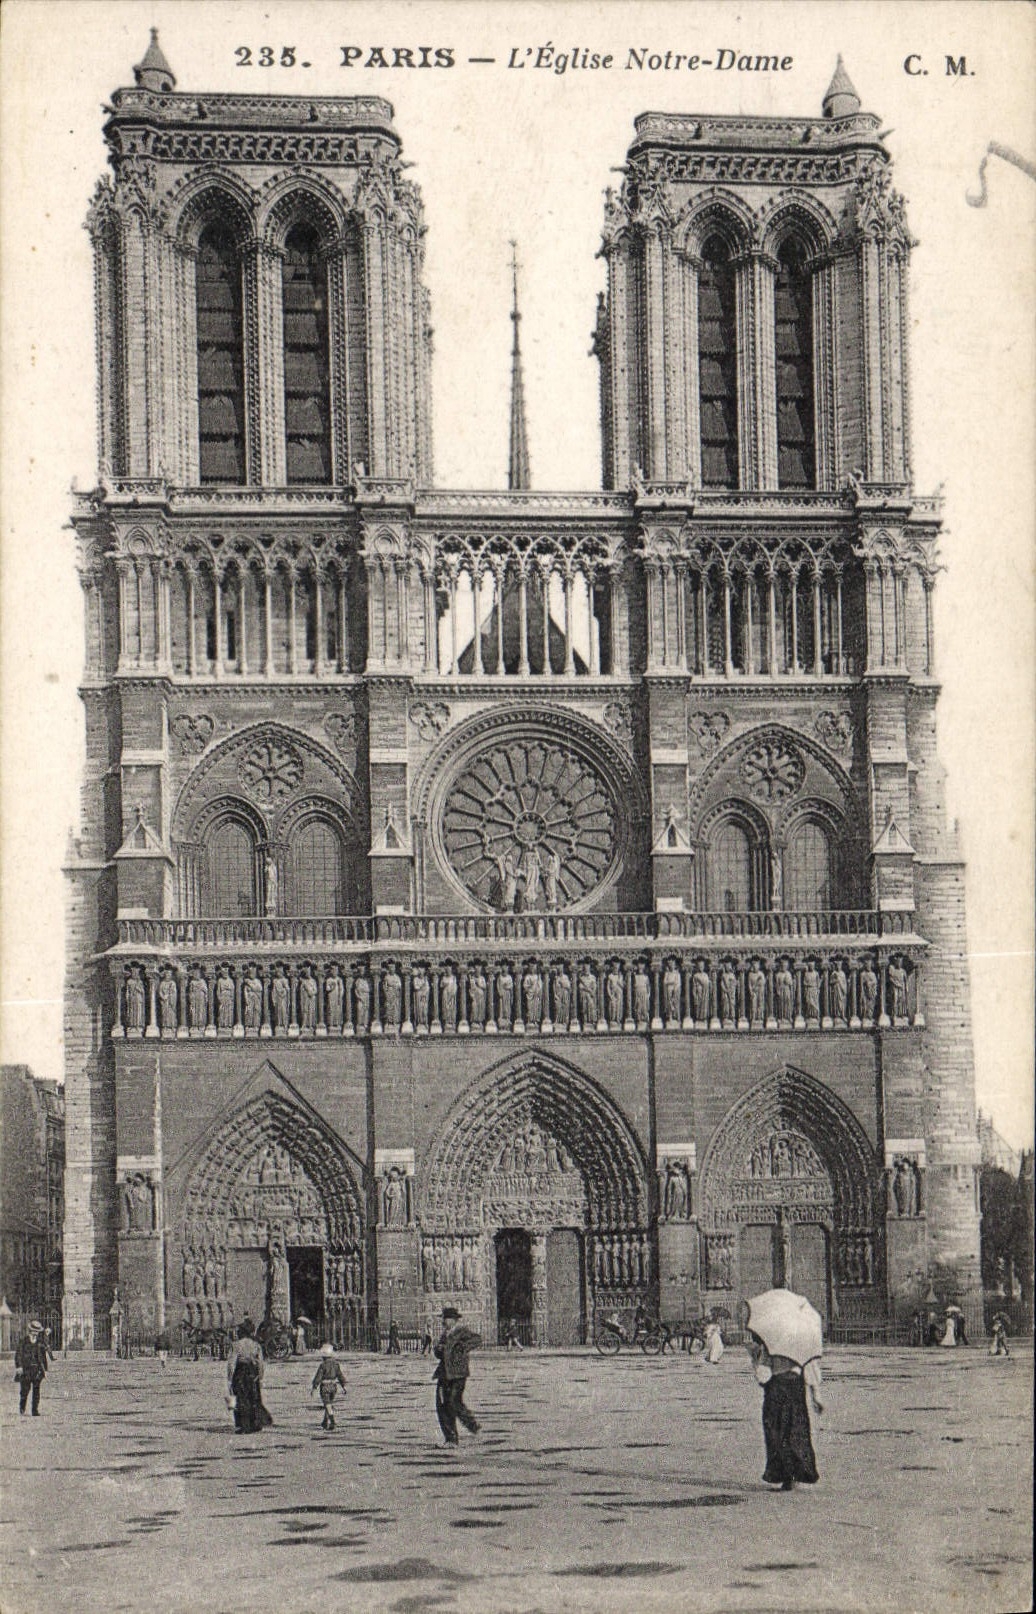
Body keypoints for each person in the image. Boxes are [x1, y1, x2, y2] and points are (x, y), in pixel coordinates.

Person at [746, 1332, 821, 1491]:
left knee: (777, 1432)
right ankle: (797, 1473)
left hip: (776, 1389)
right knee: (797, 1431)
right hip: (796, 1388)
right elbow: (810, 1370)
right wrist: (816, 1397)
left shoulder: (771, 1344)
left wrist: (755, 1357)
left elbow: (763, 1376)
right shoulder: (802, 1345)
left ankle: (785, 1475)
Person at [433, 1305, 482, 1447]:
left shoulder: (461, 1332)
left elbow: (476, 1340)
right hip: (444, 1373)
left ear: (453, 1320)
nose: (444, 1322)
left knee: (454, 1402)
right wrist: (438, 1350)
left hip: (458, 1373)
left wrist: (462, 1347)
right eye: (444, 1319)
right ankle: (450, 1439)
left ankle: (472, 1425)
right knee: (442, 1405)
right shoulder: (444, 1334)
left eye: (446, 1319)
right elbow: (438, 1354)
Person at [225, 1320, 272, 1434]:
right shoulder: (255, 1345)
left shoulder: (236, 1345)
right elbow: (260, 1362)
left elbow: (232, 1362)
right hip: (252, 1372)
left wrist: (230, 1378)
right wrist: (260, 1376)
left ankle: (243, 1426)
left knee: (241, 1398)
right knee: (254, 1398)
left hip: (240, 1372)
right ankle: (255, 1424)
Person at [15, 1320, 49, 1416]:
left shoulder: (40, 1342)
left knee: (36, 1390)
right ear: (30, 1331)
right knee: (24, 1390)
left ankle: (35, 1410)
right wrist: (19, 1366)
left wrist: (45, 1370)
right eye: (34, 1331)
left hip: (37, 1369)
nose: (35, 1333)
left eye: (37, 1331)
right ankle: (22, 1407)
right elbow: (18, 1354)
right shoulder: (24, 1341)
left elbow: (43, 1356)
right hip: (26, 1369)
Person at [311, 1343, 347, 1431]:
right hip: (334, 1386)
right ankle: (325, 1421)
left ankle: (332, 1421)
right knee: (329, 1404)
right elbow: (340, 1375)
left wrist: (314, 1387)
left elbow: (318, 1377)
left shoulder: (323, 1365)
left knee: (327, 1404)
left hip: (325, 1386)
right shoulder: (336, 1364)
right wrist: (343, 1386)